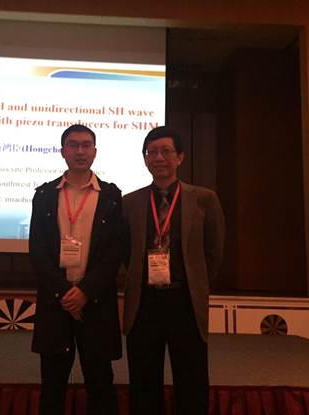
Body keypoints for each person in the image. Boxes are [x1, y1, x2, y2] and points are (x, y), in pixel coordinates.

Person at [122, 126, 225, 415]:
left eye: (166, 151)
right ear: (145, 159)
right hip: (144, 303)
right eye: (152, 152)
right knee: (143, 382)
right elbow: (124, 252)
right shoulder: (130, 202)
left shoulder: (204, 199)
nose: (159, 158)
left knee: (192, 381)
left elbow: (214, 252)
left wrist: (196, 281)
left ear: (180, 157)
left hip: (185, 303)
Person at [29, 124, 122, 415]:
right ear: (62, 152)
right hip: (55, 303)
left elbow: (114, 253)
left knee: (101, 383)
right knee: (52, 385)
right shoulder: (44, 195)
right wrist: (65, 293)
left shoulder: (111, 196)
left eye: (86, 145)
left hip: (96, 302)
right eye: (73, 145)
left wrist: (84, 292)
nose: (80, 151)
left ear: (94, 151)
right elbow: (37, 250)